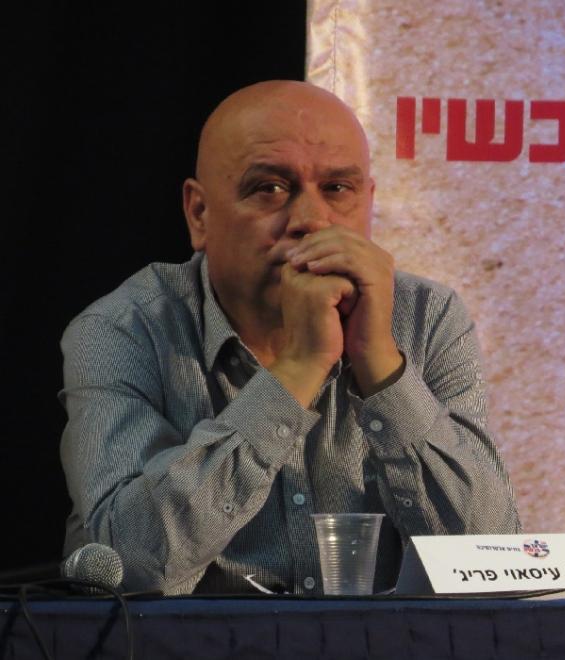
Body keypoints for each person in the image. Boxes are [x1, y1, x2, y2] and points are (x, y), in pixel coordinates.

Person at [59, 80, 520, 595]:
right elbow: (125, 566)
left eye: (337, 189)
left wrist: (380, 365)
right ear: (199, 214)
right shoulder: (124, 330)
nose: (311, 220)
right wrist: (299, 368)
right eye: (270, 188)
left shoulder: (427, 318)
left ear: (368, 204)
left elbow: (494, 563)